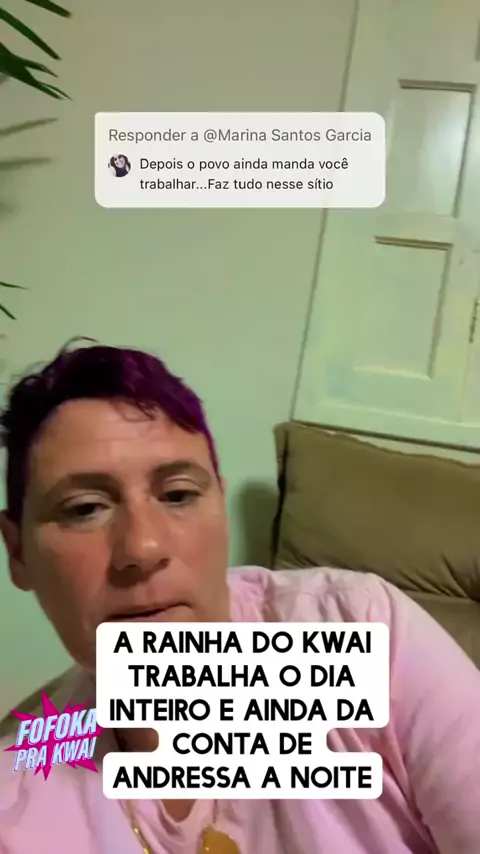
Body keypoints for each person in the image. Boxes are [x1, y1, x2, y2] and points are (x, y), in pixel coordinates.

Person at [0, 342, 478, 854]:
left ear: (221, 509)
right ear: (19, 553)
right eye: (84, 508)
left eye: (178, 495)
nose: (143, 547)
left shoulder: (366, 631)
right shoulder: (22, 789)